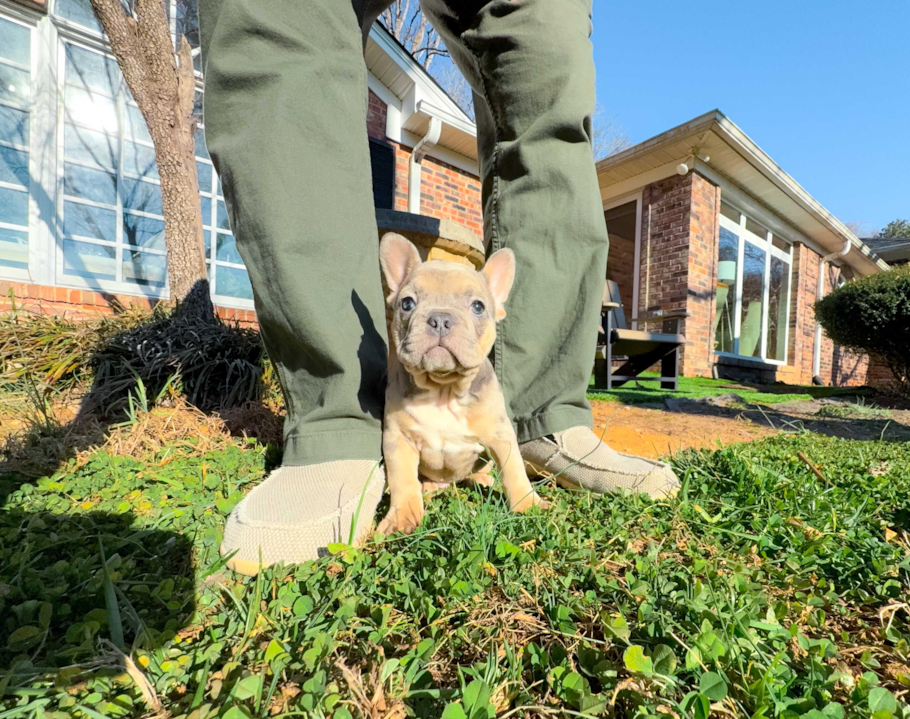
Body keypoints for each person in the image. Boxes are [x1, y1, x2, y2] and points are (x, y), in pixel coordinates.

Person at [199, 0, 680, 576]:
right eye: (414, 305)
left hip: (480, 426)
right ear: (393, 298)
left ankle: (548, 416)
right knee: (281, 28)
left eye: (472, 308)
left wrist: (516, 490)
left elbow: (493, 441)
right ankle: (337, 429)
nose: (441, 321)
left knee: (545, 64)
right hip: (409, 425)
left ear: (498, 305)